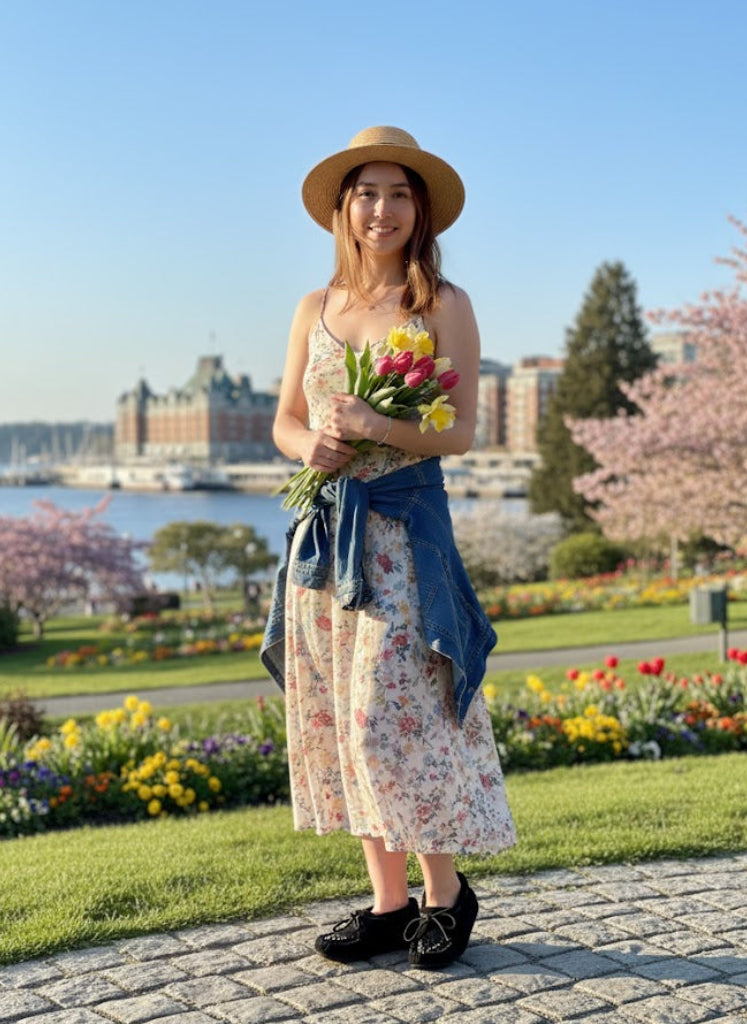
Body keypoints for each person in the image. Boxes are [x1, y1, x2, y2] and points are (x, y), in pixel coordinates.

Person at [261, 126, 516, 970]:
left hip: (403, 540)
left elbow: (464, 433)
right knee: (340, 720)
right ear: (343, 209)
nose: (382, 209)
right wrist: (311, 449)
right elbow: (284, 420)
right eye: (366, 193)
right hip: (323, 543)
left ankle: (446, 897)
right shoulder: (313, 308)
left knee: (392, 722)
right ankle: (386, 903)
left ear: (420, 209)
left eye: (398, 194)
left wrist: (378, 426)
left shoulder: (442, 303)